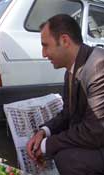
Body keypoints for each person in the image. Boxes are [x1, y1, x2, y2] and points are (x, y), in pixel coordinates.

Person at [26, 14, 104, 174]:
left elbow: (95, 131)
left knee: (67, 159)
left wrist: (46, 145)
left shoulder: (98, 67)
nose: (43, 53)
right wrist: (44, 132)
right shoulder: (70, 71)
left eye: (46, 45)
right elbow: (68, 113)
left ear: (65, 41)